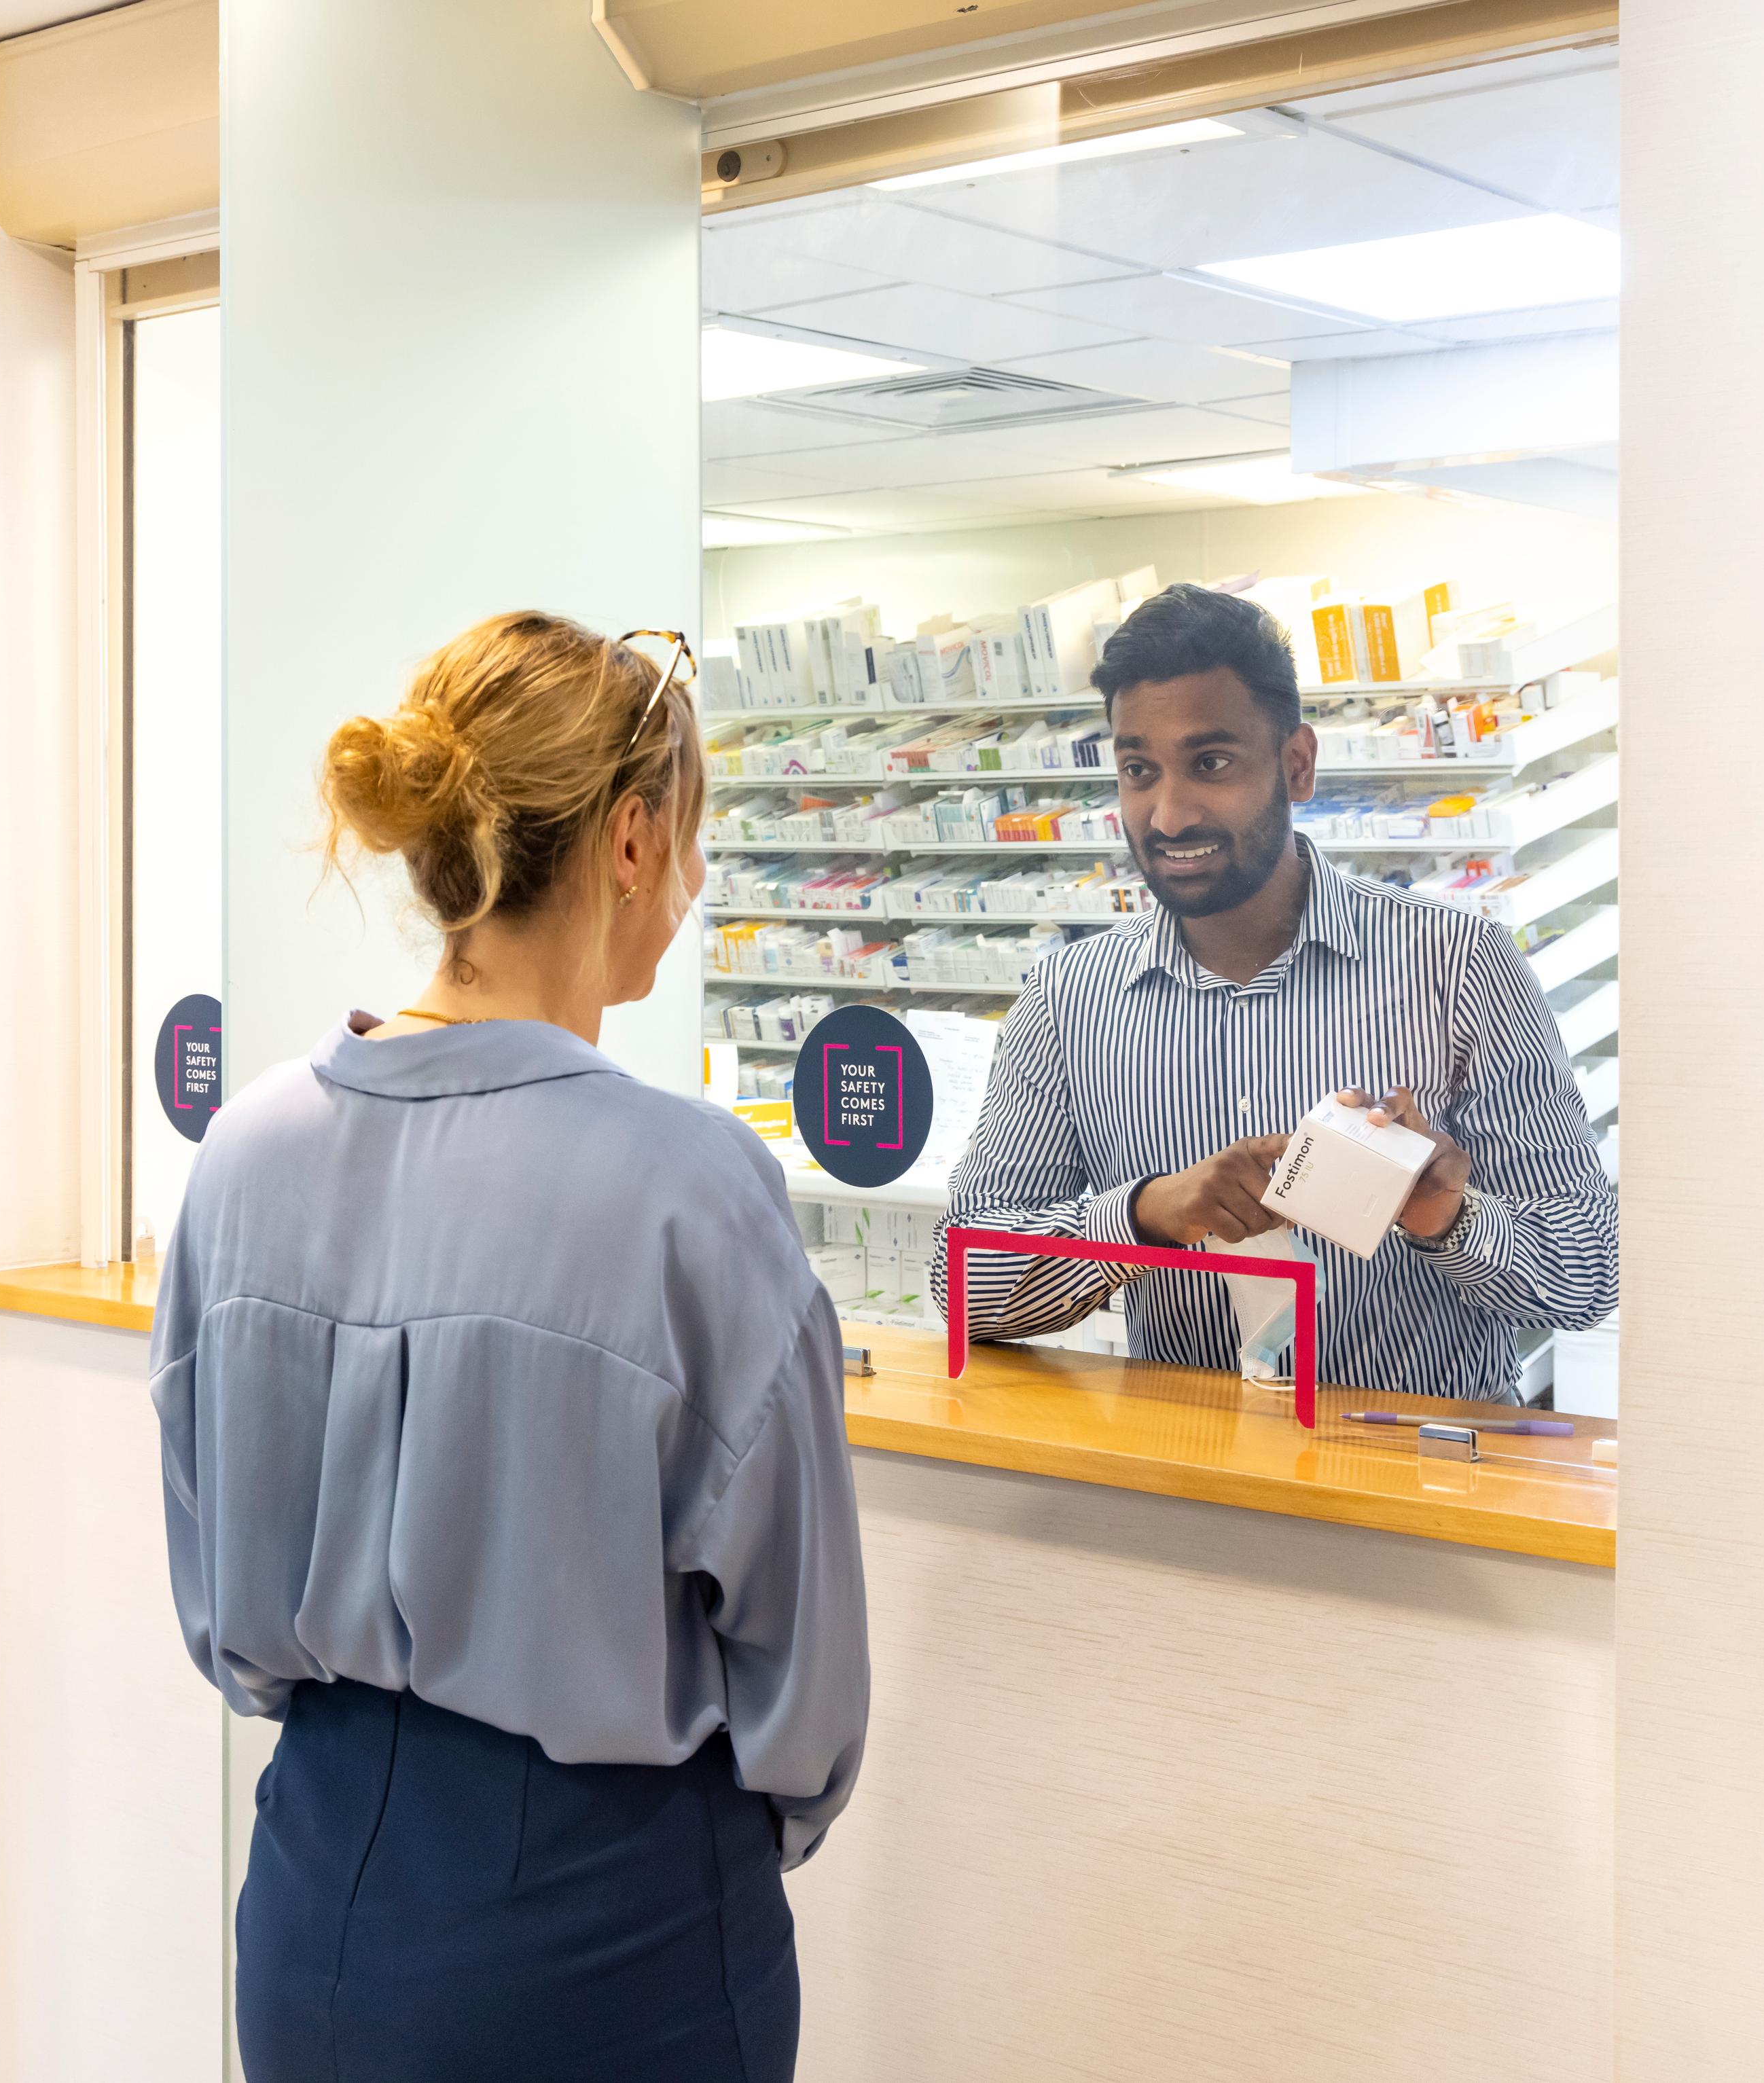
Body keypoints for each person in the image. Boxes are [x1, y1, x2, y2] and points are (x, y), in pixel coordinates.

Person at [150, 611, 869, 2083]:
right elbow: (801, 1672)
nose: (693, 881)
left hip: (318, 1886)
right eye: (688, 839)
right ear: (626, 841)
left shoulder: (248, 1146)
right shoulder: (689, 1187)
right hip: (611, 1924)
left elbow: (214, 1572)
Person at [933, 581, 1617, 1402]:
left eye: (1210, 763)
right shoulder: (1069, 998)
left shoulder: (1457, 966)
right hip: (1188, 1482)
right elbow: (963, 1280)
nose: (1170, 814)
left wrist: (1449, 1218)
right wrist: (1144, 1214)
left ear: (1297, 764)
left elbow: (1587, 1275)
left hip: (1422, 1488)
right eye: (1138, 770)